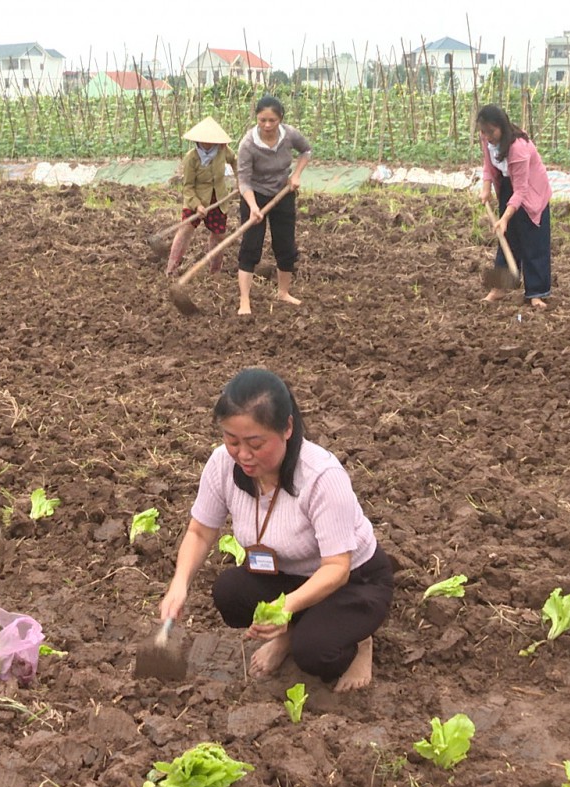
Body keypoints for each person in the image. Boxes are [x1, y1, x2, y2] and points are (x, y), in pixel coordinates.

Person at [159, 368, 395, 693]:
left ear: (287, 428)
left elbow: (337, 569)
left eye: (255, 443)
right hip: (283, 573)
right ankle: (288, 633)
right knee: (229, 592)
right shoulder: (223, 465)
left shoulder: (322, 476)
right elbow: (200, 531)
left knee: (316, 654)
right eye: (231, 440)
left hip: (351, 580)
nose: (243, 454)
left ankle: (360, 639)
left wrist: (284, 608)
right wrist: (179, 584)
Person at [234, 96, 311, 316]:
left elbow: (306, 151)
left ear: (281, 119)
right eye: (262, 120)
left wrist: (295, 175)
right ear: (256, 119)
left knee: (286, 245)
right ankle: (245, 301)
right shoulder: (248, 144)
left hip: (283, 193)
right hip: (254, 194)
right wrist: (253, 207)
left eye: (272, 121)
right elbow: (244, 181)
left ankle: (283, 292)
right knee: (251, 246)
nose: (267, 125)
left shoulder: (290, 135)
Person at [476, 104, 553, 309]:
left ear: (502, 126)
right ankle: (499, 288)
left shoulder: (518, 147)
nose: (486, 136)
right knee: (506, 240)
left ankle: (536, 293)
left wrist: (505, 218)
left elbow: (522, 190)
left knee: (533, 242)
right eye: (483, 131)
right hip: (509, 186)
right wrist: (486, 188)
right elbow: (488, 164)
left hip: (531, 190)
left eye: (491, 131)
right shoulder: (487, 140)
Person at [165, 117, 237, 276]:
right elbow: (188, 187)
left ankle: (215, 270)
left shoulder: (223, 150)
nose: (209, 143)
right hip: (195, 198)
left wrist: (241, 180)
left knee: (219, 235)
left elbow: (235, 161)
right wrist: (197, 205)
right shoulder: (191, 158)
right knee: (185, 230)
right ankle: (171, 269)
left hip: (218, 198)